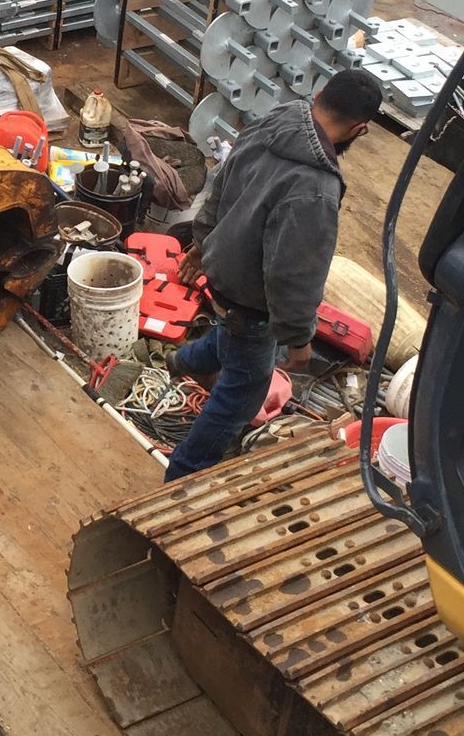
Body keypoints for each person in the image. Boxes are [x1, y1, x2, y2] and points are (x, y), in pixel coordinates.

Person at [163, 68, 384, 482]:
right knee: (242, 392)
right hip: (251, 299)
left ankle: (179, 361)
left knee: (229, 337)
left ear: (318, 95)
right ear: (359, 129)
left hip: (224, 280)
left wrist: (202, 244)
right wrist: (299, 340)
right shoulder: (315, 188)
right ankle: (183, 473)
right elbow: (293, 275)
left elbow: (220, 188)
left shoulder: (272, 121)